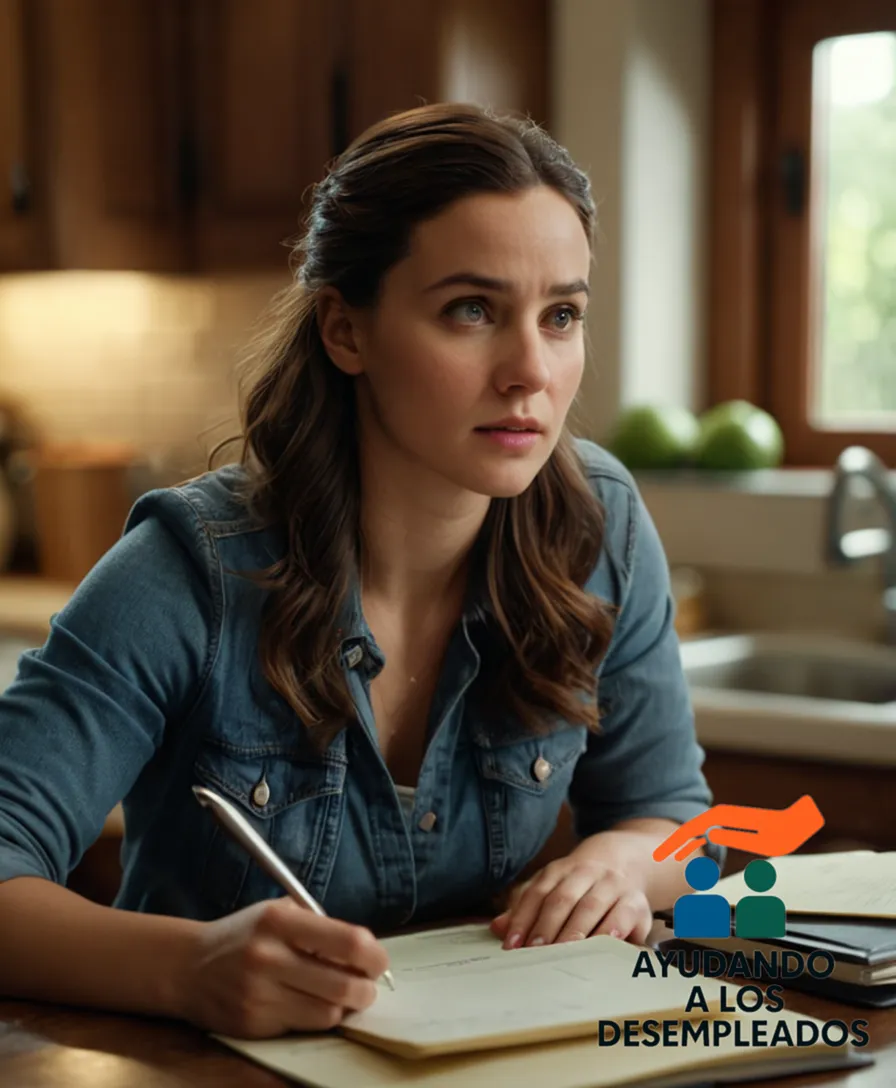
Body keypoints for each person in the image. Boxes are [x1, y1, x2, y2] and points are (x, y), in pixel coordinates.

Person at [0, 102, 721, 1040]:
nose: (530, 371)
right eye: (472, 310)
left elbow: (680, 819)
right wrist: (190, 969)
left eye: (562, 315)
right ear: (346, 331)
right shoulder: (189, 572)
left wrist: (624, 863)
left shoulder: (601, 527)